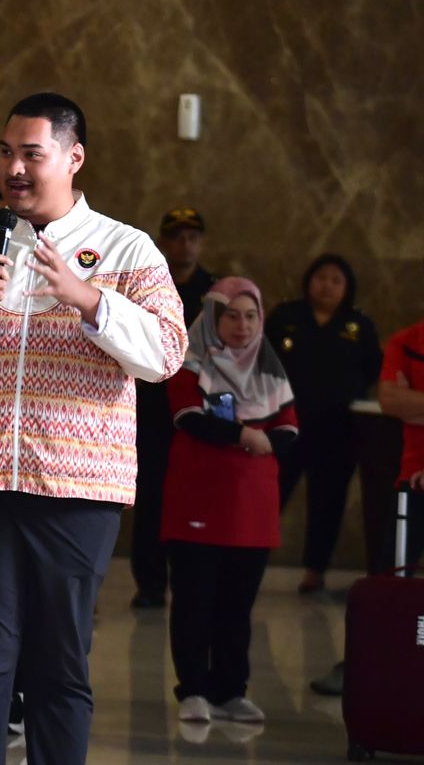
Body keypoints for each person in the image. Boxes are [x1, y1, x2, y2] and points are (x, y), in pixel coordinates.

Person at [0, 93, 186, 765]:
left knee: (58, 666)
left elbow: (166, 353)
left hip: (77, 492)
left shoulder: (125, 248)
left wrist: (89, 300)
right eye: (5, 152)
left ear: (74, 158)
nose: (13, 168)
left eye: (31, 154)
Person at [161, 278, 297, 725]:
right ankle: (193, 690)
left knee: (237, 607)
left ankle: (231, 691)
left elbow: (289, 426)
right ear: (213, 319)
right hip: (199, 502)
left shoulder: (269, 366)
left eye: (251, 316)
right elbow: (188, 416)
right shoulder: (189, 363)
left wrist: (264, 440)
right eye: (232, 316)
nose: (242, 325)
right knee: (194, 603)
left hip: (252, 509)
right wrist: (245, 435)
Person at [267, 254, 382, 593]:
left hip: (337, 431)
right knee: (269, 495)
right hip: (284, 426)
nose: (327, 285)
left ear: (347, 288)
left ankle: (315, 571)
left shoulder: (359, 325)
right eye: (321, 277)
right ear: (308, 281)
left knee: (327, 502)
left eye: (336, 280)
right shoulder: (286, 316)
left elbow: (372, 369)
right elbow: (262, 361)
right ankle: (248, 560)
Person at [130, 206, 216, 609]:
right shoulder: (148, 283)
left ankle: (192, 582)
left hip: (199, 411)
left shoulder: (215, 292)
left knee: (194, 498)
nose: (185, 245)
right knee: (149, 499)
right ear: (163, 242)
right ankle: (149, 583)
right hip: (151, 406)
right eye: (177, 237)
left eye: (192, 237)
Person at [380, 316, 424, 566]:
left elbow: (403, 402)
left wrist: (412, 400)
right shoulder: (406, 341)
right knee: (393, 573)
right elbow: (389, 401)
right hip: (412, 478)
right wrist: (401, 401)